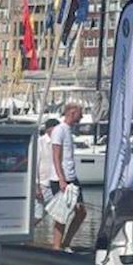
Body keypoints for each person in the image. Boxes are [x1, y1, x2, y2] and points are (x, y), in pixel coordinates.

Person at [48, 103, 85, 250]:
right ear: (72, 112)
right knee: (61, 215)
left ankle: (66, 243)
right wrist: (61, 179)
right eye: (80, 113)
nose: (81, 116)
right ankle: (57, 247)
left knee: (81, 212)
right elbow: (56, 156)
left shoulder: (69, 131)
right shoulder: (59, 130)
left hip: (72, 177)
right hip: (61, 179)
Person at [36, 117, 59, 215]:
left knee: (58, 215)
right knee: (37, 215)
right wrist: (36, 188)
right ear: (49, 129)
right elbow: (35, 165)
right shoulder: (40, 142)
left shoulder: (58, 143)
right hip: (43, 185)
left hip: (55, 185)